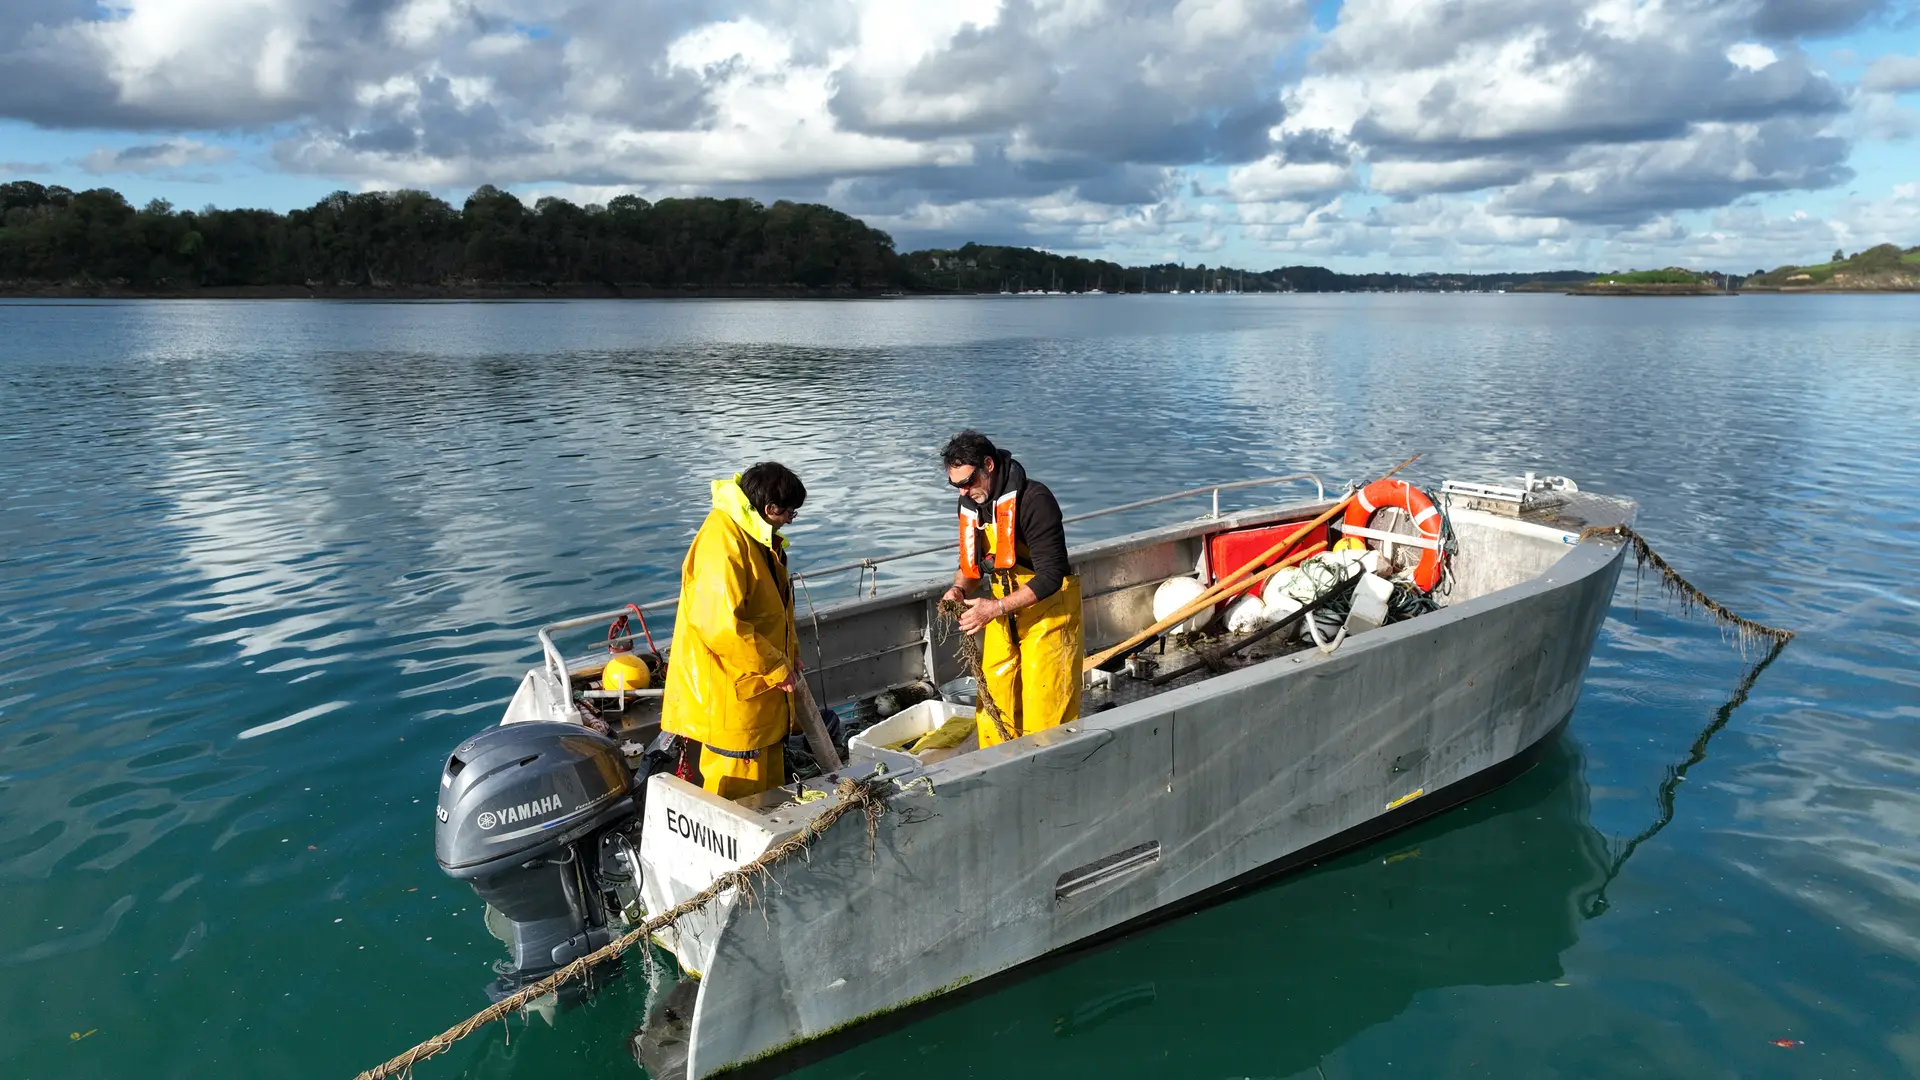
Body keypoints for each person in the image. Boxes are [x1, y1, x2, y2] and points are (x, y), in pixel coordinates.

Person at [661, 462, 805, 800]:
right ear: (770, 509)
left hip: (760, 693)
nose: (790, 520)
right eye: (790, 513)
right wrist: (774, 665)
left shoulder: (755, 536)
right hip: (732, 701)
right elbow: (719, 625)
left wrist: (791, 656)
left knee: (768, 790)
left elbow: (774, 612)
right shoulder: (723, 545)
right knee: (737, 795)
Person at [940, 430, 1083, 748]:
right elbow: (971, 567)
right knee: (994, 703)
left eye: (968, 481)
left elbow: (1051, 577)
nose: (963, 490)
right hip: (1003, 614)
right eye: (956, 485)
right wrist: (958, 590)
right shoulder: (971, 504)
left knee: (1045, 712)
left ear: (988, 465)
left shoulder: (1035, 501)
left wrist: (995, 608)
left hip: (1049, 616)